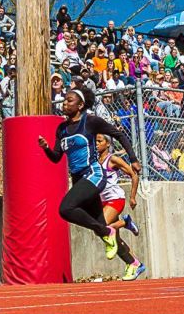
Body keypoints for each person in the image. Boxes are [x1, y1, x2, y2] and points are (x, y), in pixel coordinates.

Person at [38, 86, 147, 281]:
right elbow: (56, 158)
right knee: (99, 226)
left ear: (80, 105)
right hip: (79, 178)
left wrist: (133, 159)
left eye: (69, 100)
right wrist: (46, 148)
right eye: (64, 100)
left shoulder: (91, 122)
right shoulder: (61, 129)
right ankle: (133, 263)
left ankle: (108, 231)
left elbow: (119, 135)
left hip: (93, 174)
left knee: (65, 209)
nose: (64, 103)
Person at [96, 134, 141, 259]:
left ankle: (125, 223)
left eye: (99, 141)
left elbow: (134, 175)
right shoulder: (95, 161)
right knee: (115, 238)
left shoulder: (112, 159)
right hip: (102, 201)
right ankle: (135, 264)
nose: (96, 144)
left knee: (100, 227)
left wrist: (132, 197)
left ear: (108, 144)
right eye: (95, 141)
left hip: (115, 199)